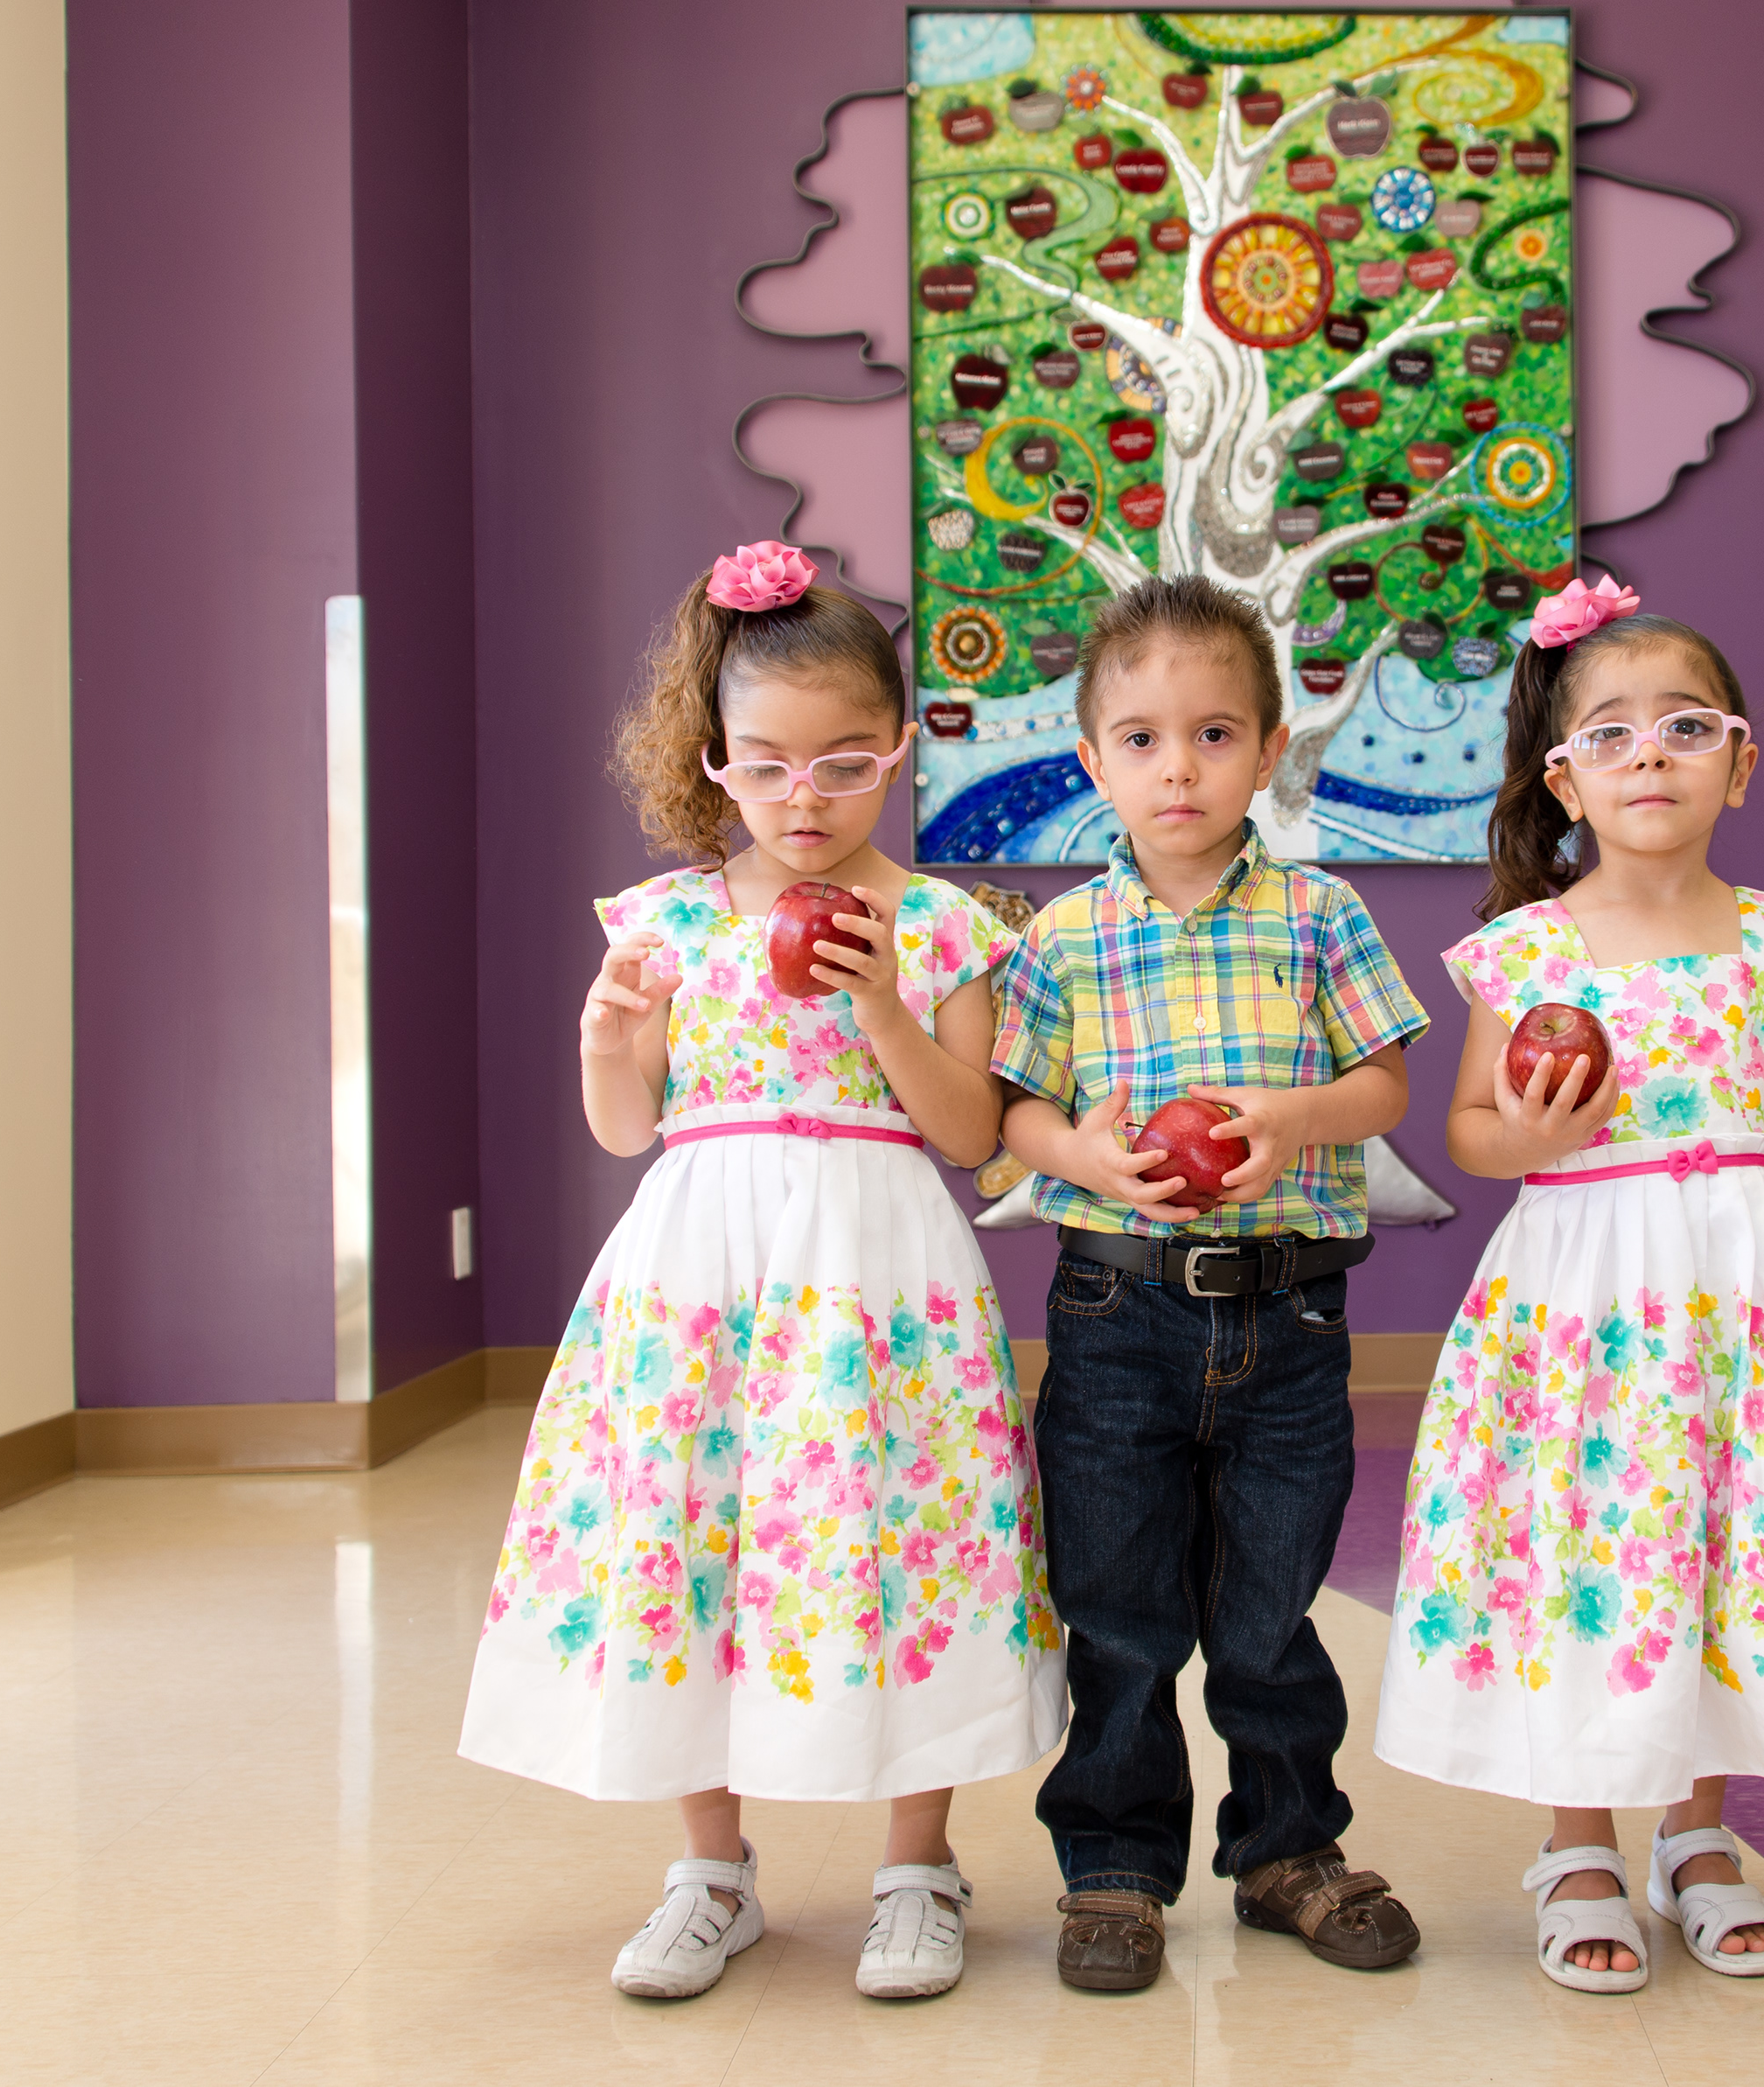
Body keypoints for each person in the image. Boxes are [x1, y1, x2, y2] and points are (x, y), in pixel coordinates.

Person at [459, 541, 1059, 2005]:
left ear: (900, 753)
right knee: (699, 1527)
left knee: (897, 1535)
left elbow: (973, 1134)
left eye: (847, 763)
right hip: (702, 1267)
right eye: (770, 766)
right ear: (714, 762)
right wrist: (610, 1040)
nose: (808, 799)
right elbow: (624, 1129)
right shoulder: (663, 925)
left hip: (878, 1269)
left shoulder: (941, 925)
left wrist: (884, 1006)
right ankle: (710, 1871)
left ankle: (918, 1862)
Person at [1373, 574, 1764, 1993]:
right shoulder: (1530, 948)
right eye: (1610, 735)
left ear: (1742, 764)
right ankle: (1577, 1839)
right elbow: (1473, 1133)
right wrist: (1531, 1133)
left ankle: (1697, 1831)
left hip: (1741, 1298)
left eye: (1686, 728)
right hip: (1582, 1304)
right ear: (1563, 778)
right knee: (1591, 1545)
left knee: (1724, 1540)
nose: (1649, 758)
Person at [991, 573, 1434, 1993]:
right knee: (1117, 1606)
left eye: (1213, 735)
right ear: (1091, 760)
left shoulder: (1320, 912)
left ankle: (1288, 1846)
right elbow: (1016, 1117)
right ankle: (1114, 1867)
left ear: (1271, 742)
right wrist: (1089, 1157)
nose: (1176, 768)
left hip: (1292, 1312)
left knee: (1269, 1605)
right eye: (1139, 739)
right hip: (1116, 1311)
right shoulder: (1058, 939)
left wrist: (1288, 1121)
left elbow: (1383, 1087)